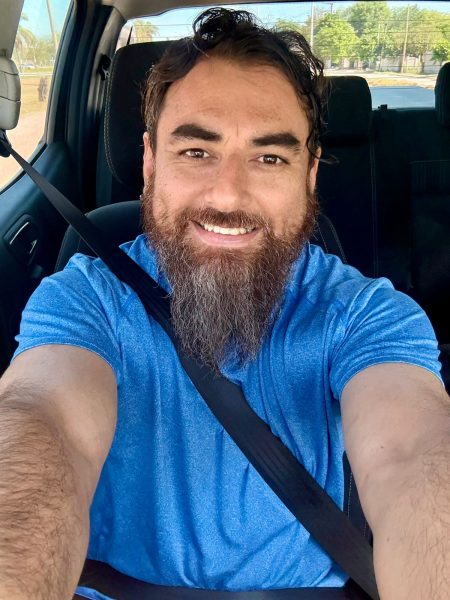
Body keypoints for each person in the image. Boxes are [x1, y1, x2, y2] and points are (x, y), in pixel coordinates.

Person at [0, 8, 448, 600]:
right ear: (150, 163)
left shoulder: (364, 316)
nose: (229, 195)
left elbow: (414, 458)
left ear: (310, 174)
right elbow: (42, 423)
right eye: (196, 151)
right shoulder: (86, 301)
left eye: (270, 157)